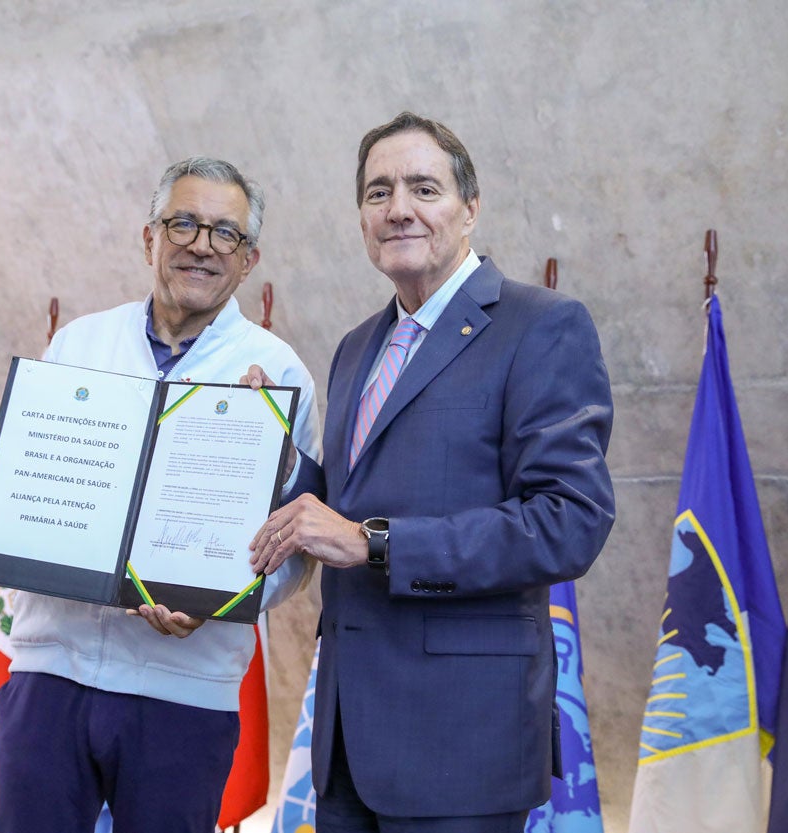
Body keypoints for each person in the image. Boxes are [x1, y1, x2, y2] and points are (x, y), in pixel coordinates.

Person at [246, 113, 615, 833]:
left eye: (424, 187)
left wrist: (378, 544)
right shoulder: (359, 346)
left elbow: (569, 521)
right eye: (378, 191)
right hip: (348, 743)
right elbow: (343, 507)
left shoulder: (542, 326)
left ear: (470, 208)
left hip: (463, 744)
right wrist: (278, 454)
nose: (399, 208)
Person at [0, 157, 322, 833]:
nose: (201, 243)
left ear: (249, 258)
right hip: (47, 676)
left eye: (224, 233)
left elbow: (298, 556)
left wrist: (220, 602)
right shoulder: (79, 342)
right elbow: (37, 485)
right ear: (149, 238)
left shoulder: (279, 373)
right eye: (182, 222)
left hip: (182, 695)